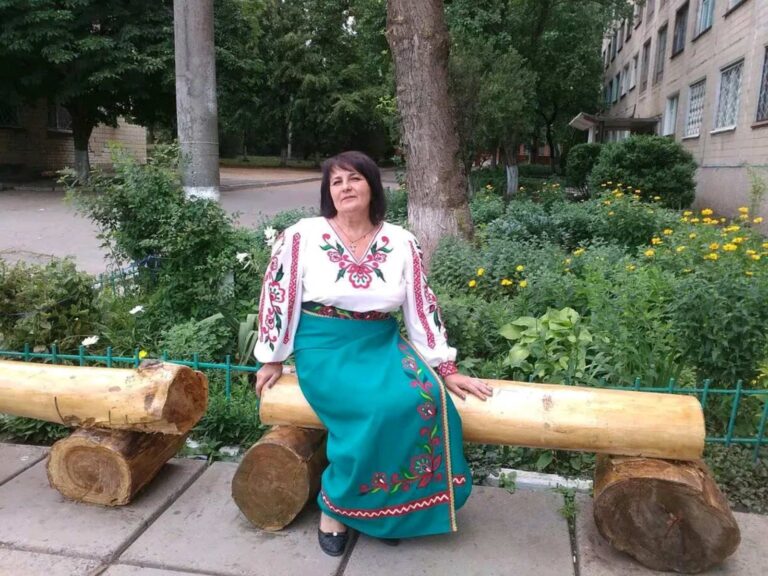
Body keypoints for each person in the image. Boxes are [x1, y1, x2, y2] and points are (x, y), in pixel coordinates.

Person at [253, 150, 493, 556]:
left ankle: (384, 511)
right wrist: (272, 356)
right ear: (328, 192)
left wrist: (445, 365)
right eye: (337, 181)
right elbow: (279, 295)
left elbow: (420, 303)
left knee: (424, 399)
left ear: (372, 186)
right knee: (374, 408)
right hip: (324, 345)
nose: (346, 187)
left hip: (381, 341)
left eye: (355, 179)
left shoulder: (401, 241)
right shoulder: (302, 236)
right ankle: (336, 506)